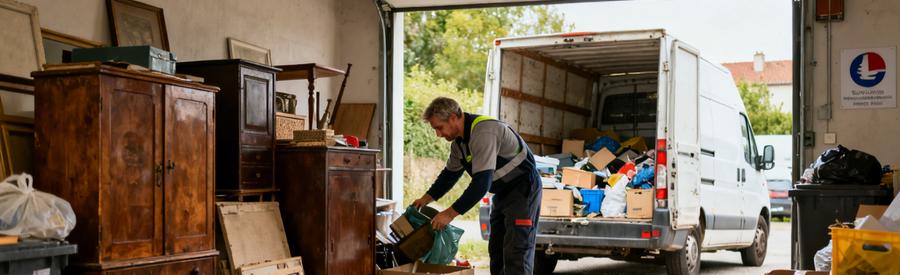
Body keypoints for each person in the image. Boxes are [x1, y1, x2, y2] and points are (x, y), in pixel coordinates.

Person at [412, 97, 542, 274]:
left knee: (517, 251)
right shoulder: (459, 144)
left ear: (453, 118)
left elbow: (481, 184)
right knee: (497, 251)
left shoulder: (484, 132)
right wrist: (426, 198)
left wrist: (449, 214)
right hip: (502, 192)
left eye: (439, 128)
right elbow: (449, 175)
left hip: (523, 189)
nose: (438, 134)